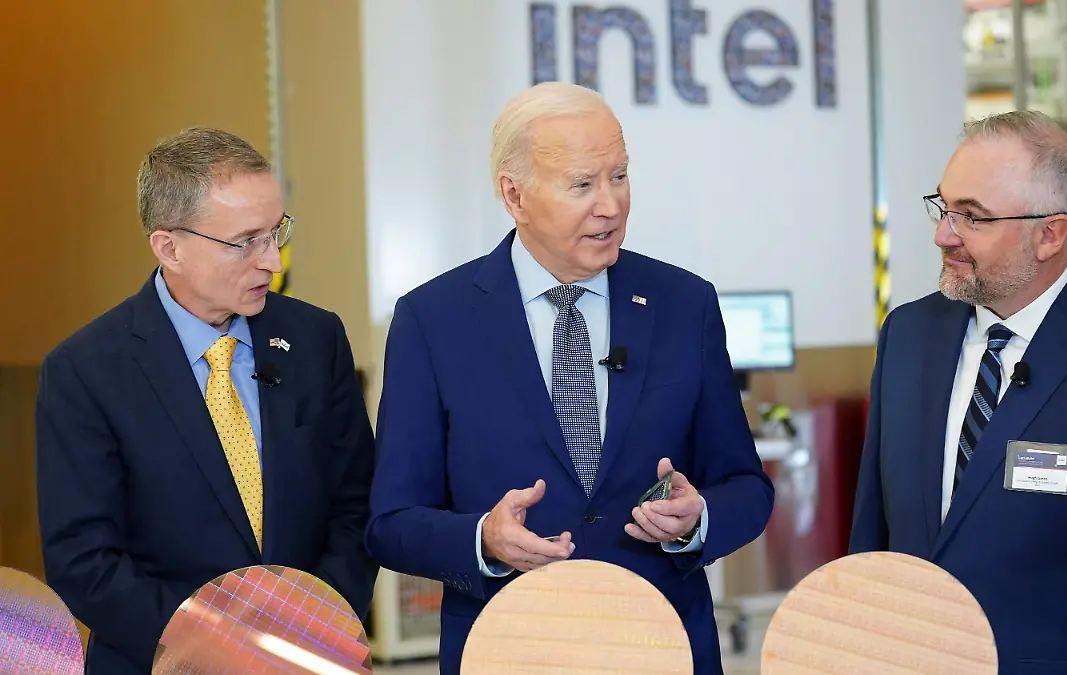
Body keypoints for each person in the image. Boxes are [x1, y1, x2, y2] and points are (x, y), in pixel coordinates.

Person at [365, 81, 774, 674]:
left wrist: (698, 517)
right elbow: (391, 522)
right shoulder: (433, 320)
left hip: (662, 646)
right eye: (582, 185)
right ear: (515, 195)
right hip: (509, 652)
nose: (610, 205)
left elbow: (746, 487)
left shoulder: (685, 304)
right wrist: (483, 540)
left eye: (619, 176)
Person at [849, 110, 1067, 674]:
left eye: (972, 217)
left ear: (1050, 234)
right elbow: (874, 535)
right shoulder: (907, 336)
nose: (944, 234)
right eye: (943, 207)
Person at [36, 128, 378, 674]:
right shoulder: (86, 371)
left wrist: (314, 627)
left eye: (276, 232)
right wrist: (219, 649)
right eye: (245, 242)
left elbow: (355, 505)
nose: (272, 262)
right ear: (169, 247)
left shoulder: (316, 339)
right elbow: (84, 562)